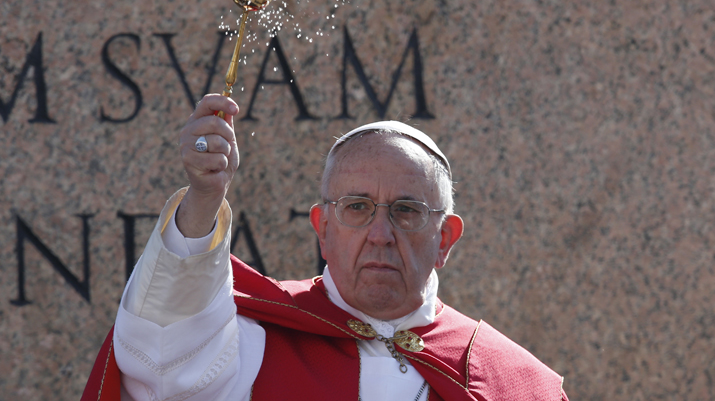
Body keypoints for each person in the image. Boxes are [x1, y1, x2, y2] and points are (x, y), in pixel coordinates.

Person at [82, 95, 569, 401]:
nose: (381, 234)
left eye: (406, 211)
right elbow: (158, 356)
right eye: (357, 207)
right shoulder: (249, 340)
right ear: (323, 228)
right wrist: (204, 200)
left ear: (445, 238)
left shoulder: (518, 386)